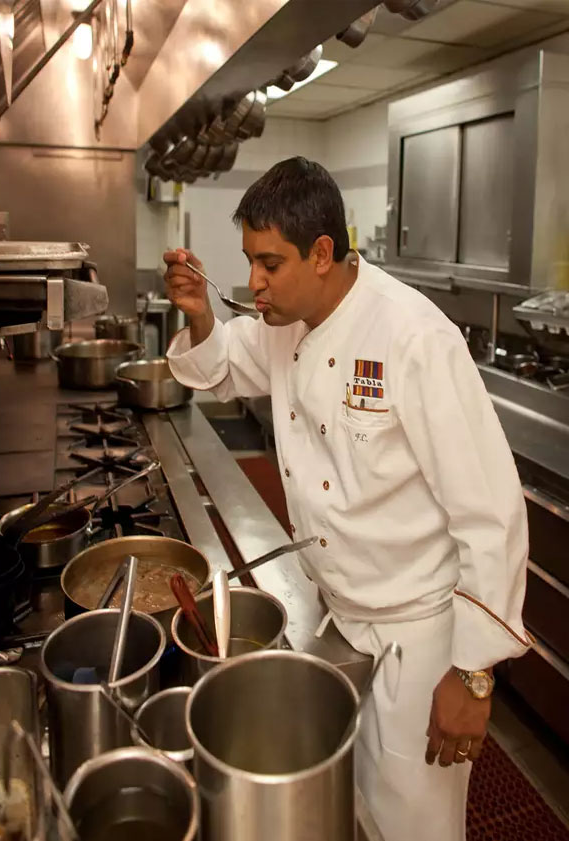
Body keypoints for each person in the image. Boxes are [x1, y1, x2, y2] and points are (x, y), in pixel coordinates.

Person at [163, 157, 531, 841]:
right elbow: (215, 368)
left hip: (418, 638)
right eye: (249, 261)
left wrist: (473, 676)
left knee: (415, 825)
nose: (255, 283)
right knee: (356, 810)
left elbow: (491, 511)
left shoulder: (413, 338)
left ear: (324, 252)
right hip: (341, 620)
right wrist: (199, 313)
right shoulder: (284, 324)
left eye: (270, 263)